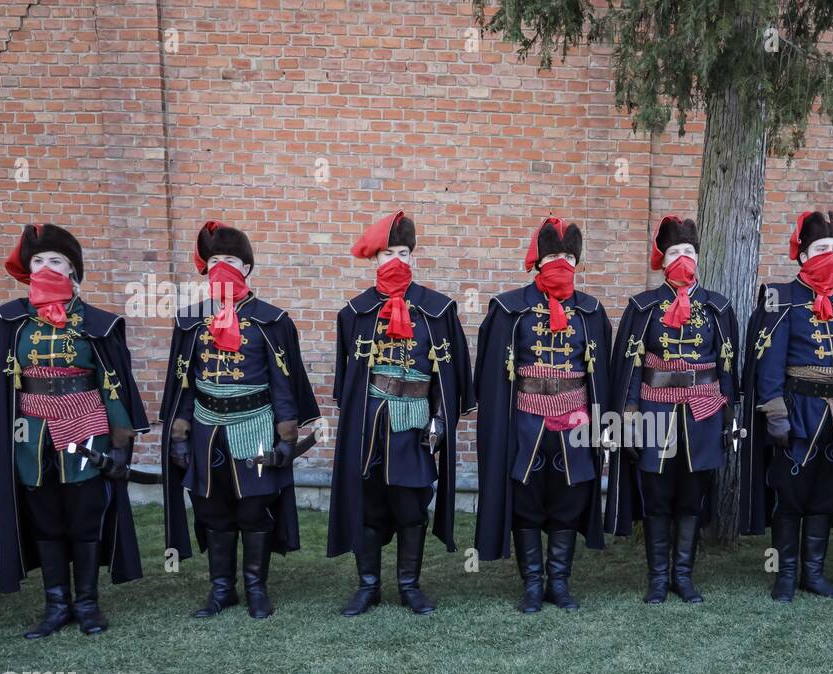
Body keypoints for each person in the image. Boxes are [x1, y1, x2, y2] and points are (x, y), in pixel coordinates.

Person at [0, 224, 148, 638]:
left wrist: (122, 441)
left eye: (56, 261)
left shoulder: (100, 324)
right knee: (45, 516)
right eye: (37, 261)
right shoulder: (9, 321)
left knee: (85, 515)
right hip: (31, 429)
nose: (46, 267)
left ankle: (87, 604)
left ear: (74, 273)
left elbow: (113, 385)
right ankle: (56, 604)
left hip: (86, 421)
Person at [160, 221, 320, 618]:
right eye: (215, 260)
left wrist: (287, 437)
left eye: (230, 260)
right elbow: (184, 382)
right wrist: (179, 435)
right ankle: (221, 591)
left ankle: (256, 589)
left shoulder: (272, 320)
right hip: (206, 428)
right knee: (212, 511)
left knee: (253, 509)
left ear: (247, 267)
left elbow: (283, 383)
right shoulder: (190, 320)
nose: (223, 267)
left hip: (255, 426)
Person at [328, 211, 474, 616]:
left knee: (412, 508)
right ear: (375, 258)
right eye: (388, 252)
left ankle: (409, 586)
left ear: (414, 257)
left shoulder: (439, 310)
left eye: (404, 252)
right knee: (369, 506)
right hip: (371, 423)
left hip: (415, 424)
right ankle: (368, 586)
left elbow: (451, 375)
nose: (396, 259)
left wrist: (441, 419)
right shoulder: (354, 314)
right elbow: (347, 382)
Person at [474, 216, 612, 612]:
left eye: (569, 256)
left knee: (570, 498)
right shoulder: (507, 309)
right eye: (553, 255)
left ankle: (560, 583)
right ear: (537, 261)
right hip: (525, 419)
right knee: (527, 500)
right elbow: (488, 371)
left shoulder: (591, 311)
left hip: (575, 420)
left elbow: (601, 372)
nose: (561, 263)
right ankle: (533, 583)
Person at [740, 211, 833, 601]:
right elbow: (768, 362)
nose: (829, 255)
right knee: (790, 494)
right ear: (802, 255)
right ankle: (784, 577)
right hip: (798, 409)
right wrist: (775, 413)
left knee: (827, 494)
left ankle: (814, 575)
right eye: (820, 249)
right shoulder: (780, 296)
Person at [605, 216, 739, 603]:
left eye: (689, 252)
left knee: (691, 497)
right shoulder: (642, 307)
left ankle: (684, 575)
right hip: (654, 412)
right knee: (658, 497)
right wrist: (628, 414)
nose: (683, 258)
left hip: (703, 412)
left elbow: (726, 363)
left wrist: (729, 414)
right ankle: (658, 579)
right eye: (675, 252)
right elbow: (630, 364)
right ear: (662, 260)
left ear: (698, 258)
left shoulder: (718, 307)